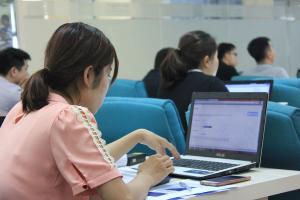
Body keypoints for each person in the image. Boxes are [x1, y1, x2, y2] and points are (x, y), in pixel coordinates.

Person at [0, 22, 180, 200]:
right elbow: (123, 198)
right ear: (89, 75)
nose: (108, 82)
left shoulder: (23, 108)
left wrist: (136, 136)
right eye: (108, 73)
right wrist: (147, 176)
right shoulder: (68, 116)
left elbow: (90, 161)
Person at [158, 30, 228, 133]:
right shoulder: (212, 85)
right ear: (207, 61)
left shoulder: (167, 82)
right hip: (199, 148)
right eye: (216, 57)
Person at [0, 47, 31, 116]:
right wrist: (27, 88)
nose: (28, 74)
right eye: (26, 69)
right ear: (14, 71)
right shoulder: (15, 93)